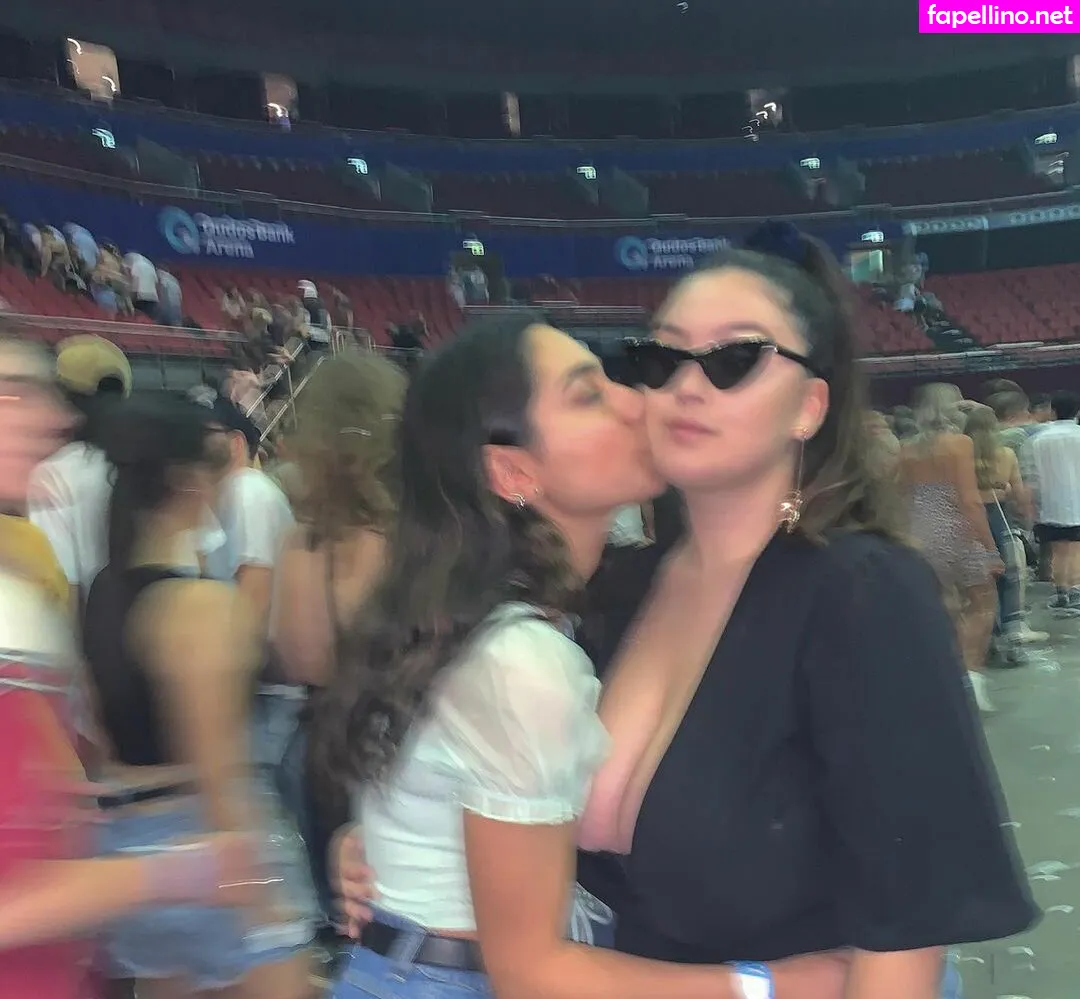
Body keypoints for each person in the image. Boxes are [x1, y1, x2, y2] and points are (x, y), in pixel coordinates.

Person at [338, 230, 1036, 999]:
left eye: (735, 358)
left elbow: (906, 928)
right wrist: (388, 851)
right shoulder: (612, 592)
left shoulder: (862, 593)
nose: (687, 386)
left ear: (809, 406)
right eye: (662, 358)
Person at [317, 314, 850, 999]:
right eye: (589, 394)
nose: (637, 401)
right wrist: (775, 986)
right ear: (514, 470)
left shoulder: (518, 611)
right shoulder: (521, 659)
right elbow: (531, 972)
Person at [0, 343, 265, 999]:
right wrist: (175, 872)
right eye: (13, 392)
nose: (55, 418)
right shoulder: (182, 603)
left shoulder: (34, 574)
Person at [81, 393, 316, 999]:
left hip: (129, 847)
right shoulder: (203, 607)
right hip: (205, 842)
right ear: (188, 482)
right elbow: (218, 772)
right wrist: (258, 893)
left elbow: (97, 741)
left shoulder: (101, 595)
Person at [899, 383, 1002, 710]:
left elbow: (902, 499)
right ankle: (971, 677)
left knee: (946, 607)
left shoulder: (904, 449)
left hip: (919, 532)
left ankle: (946, 678)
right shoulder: (959, 444)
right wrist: (990, 548)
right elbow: (970, 500)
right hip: (958, 528)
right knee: (983, 604)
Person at [963, 404, 1036, 665]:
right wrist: (1025, 518)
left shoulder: (960, 459)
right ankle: (1013, 637)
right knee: (1011, 579)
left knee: (980, 584)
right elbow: (1019, 495)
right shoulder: (1006, 454)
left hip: (969, 522)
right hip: (1000, 520)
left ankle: (988, 640)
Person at [1019, 390, 1080, 616]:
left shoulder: (1036, 440)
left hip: (1050, 505)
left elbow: (1029, 476)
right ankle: (1075, 591)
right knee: (1076, 549)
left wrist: (1030, 507)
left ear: (1052, 411)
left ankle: (1062, 591)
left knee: (1057, 550)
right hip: (1077, 502)